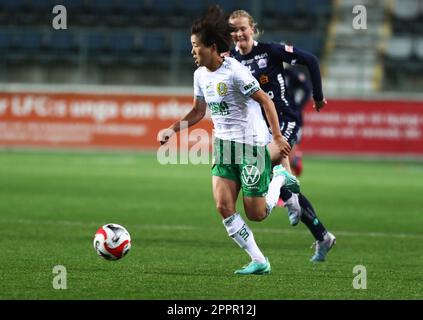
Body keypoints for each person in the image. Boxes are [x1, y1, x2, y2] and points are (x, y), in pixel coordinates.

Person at [158, 5, 298, 275]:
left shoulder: (235, 72)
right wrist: (173, 129)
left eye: (195, 45)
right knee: (223, 206)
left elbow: (266, 100)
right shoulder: (200, 75)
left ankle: (280, 176)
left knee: (256, 214)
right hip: (223, 147)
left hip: (250, 146)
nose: (192, 51)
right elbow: (199, 111)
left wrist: (278, 138)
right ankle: (259, 261)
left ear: (211, 46)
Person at [229, 10, 336, 262]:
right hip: (258, 129)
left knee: (264, 168)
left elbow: (310, 60)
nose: (238, 33)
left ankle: (290, 201)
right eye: (233, 30)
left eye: (242, 28)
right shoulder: (231, 59)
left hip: (285, 121)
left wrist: (318, 96)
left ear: (252, 28)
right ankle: (322, 235)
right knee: (268, 175)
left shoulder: (271, 51)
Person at [283, 66, 312, 177]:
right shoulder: (269, 70)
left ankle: (289, 188)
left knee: (288, 152)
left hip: (292, 118)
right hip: (276, 116)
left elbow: (307, 88)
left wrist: (298, 107)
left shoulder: (290, 73)